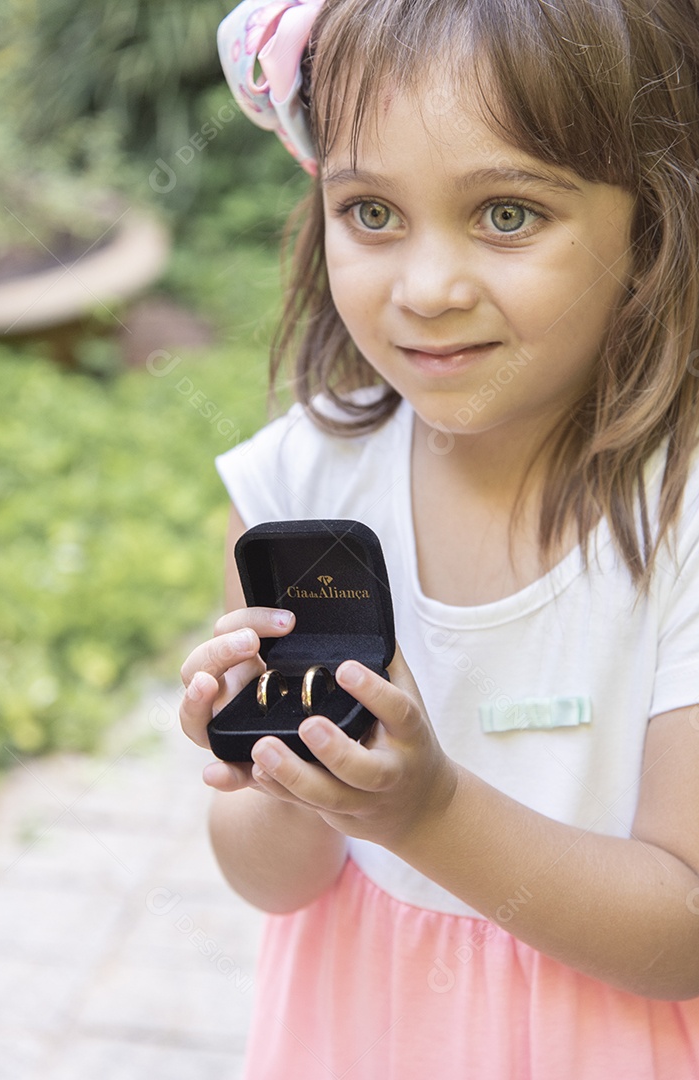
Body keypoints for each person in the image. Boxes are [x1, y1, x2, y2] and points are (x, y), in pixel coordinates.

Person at [179, 0, 699, 1075]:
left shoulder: (680, 514)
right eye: (371, 211)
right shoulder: (295, 487)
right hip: (357, 1033)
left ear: (653, 226)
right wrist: (282, 775)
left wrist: (432, 816)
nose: (426, 290)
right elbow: (274, 882)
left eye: (506, 214)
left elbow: (682, 932)